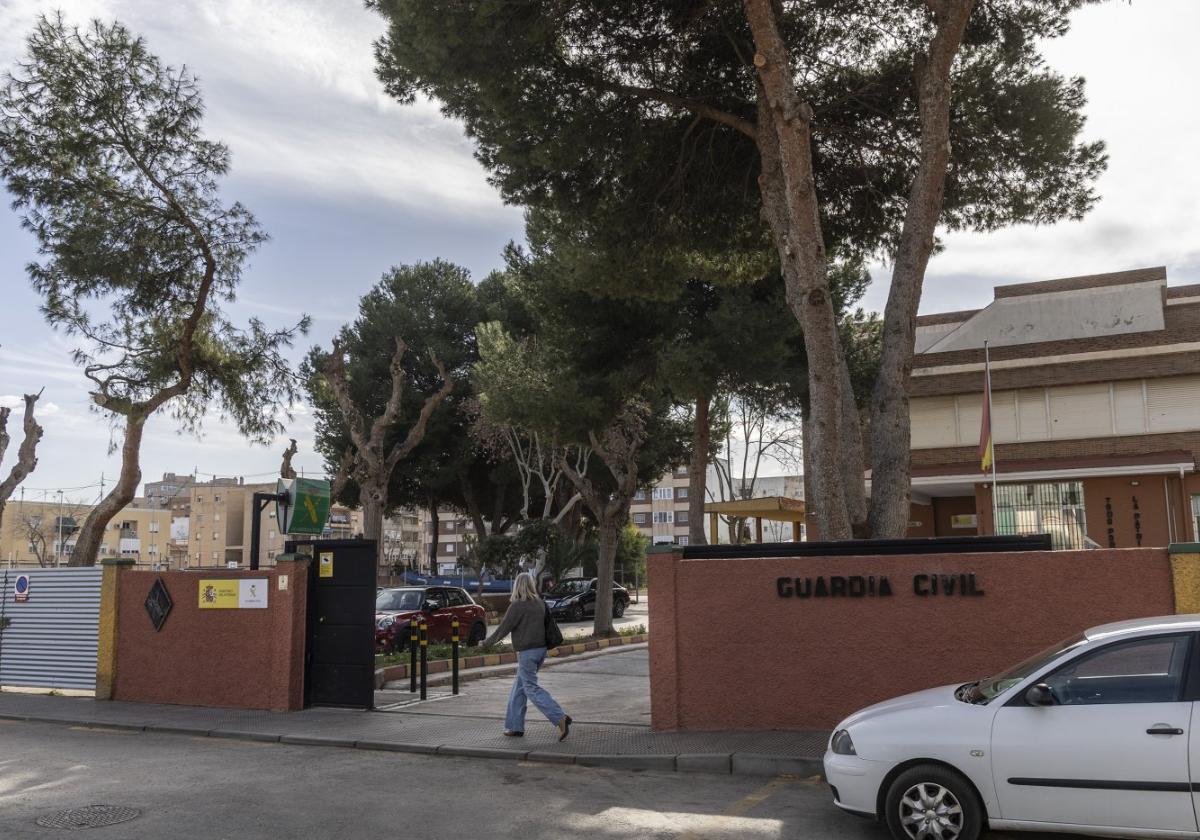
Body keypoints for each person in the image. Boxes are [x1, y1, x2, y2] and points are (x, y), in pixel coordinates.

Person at [483, 572, 572, 740]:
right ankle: (515, 727)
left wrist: (485, 644)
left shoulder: (517, 605)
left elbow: (503, 629)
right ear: (531, 584)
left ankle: (560, 717)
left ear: (517, 585)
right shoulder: (540, 603)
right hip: (541, 651)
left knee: (530, 688)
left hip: (527, 653)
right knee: (520, 687)